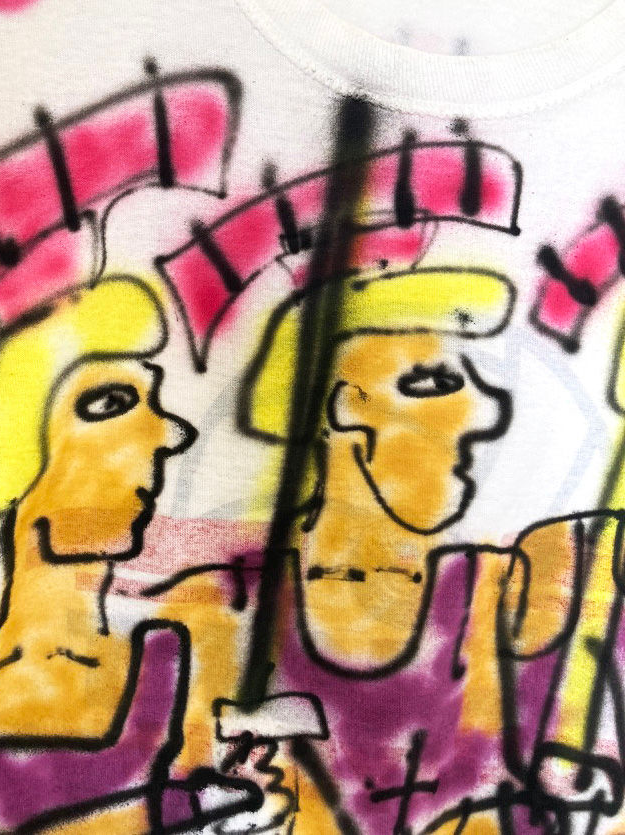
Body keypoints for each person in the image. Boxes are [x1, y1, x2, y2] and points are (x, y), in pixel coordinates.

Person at [225, 266, 625, 833]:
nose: (485, 414)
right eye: (434, 383)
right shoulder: (221, 611)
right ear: (340, 407)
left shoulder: (514, 601)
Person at [0, 275, 262, 834]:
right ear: (20, 461)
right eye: (112, 403)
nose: (169, 434)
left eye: (152, 403)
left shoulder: (179, 677)